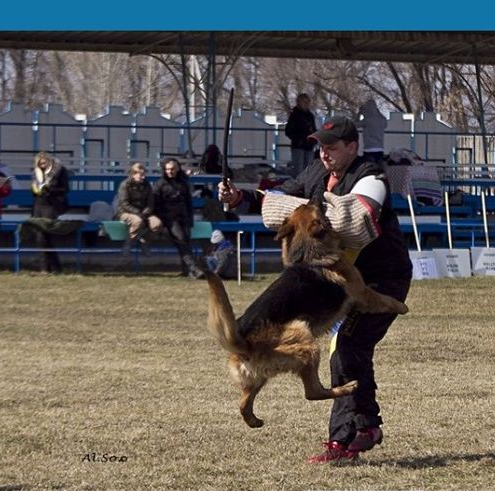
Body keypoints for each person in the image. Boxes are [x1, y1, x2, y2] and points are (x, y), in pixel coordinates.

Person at [219, 115, 412, 464]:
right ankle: (364, 427)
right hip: (335, 281)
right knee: (346, 350)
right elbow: (278, 197)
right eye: (321, 146)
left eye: (331, 147)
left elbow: (353, 218)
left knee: (346, 347)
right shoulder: (314, 173)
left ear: (352, 147)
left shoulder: (371, 177)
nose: (324, 153)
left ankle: (347, 437)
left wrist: (301, 211)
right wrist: (240, 197)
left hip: (380, 277)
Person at [154, 157, 203, 278]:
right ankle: (194, 269)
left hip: (184, 217)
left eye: (172, 169)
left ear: (177, 169)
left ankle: (187, 271)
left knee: (186, 242)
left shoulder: (183, 183)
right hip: (170, 220)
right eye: (168, 169)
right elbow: (156, 204)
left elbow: (188, 202)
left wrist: (190, 219)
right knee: (181, 241)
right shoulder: (159, 185)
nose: (170, 171)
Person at [30, 152, 70, 273]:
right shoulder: (36, 172)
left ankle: (51, 266)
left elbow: (65, 189)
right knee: (39, 236)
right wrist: (35, 189)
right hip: (38, 205)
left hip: (52, 205)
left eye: (44, 163)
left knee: (45, 235)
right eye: (40, 164)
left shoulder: (60, 171)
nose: (42, 166)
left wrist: (50, 189)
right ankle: (48, 266)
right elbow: (33, 188)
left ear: (49, 161)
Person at [116, 163, 162, 256]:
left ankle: (145, 241)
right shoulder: (125, 185)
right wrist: (138, 213)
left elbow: (150, 203)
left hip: (144, 212)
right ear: (133, 174)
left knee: (157, 224)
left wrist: (146, 212)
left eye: (144, 174)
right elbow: (124, 204)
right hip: (126, 212)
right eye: (141, 175)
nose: (143, 177)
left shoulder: (147, 185)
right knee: (137, 221)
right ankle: (128, 243)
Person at [284, 93, 317, 175]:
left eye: (307, 102)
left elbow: (313, 129)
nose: (306, 104)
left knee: (309, 171)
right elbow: (288, 131)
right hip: (298, 147)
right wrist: (298, 140)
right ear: (299, 102)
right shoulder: (295, 115)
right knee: (298, 171)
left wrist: (314, 140)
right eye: (304, 102)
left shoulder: (310, 116)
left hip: (309, 146)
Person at [356, 99, 386, 164]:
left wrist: (360, 113)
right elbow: (385, 123)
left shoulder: (367, 120)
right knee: (379, 168)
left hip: (368, 149)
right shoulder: (382, 119)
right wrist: (377, 111)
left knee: (369, 168)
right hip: (380, 149)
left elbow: (355, 124)